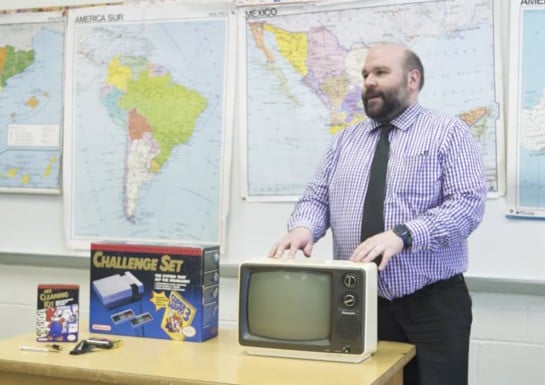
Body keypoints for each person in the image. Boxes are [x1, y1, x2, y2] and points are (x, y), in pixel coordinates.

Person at [268, 43, 487, 385]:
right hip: (358, 303)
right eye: (366, 74)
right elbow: (316, 199)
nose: (368, 81)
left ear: (412, 79)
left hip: (431, 306)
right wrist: (303, 228)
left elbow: (467, 206)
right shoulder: (344, 141)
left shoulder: (449, 134)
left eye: (381, 73)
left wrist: (403, 235)